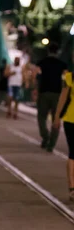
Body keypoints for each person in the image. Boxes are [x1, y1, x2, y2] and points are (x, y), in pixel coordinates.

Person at [37, 43, 67, 152]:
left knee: (41, 117)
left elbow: (37, 76)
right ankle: (51, 144)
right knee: (56, 118)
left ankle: (45, 136)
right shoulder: (62, 64)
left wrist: (36, 89)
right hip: (57, 94)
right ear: (57, 51)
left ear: (48, 51)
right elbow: (65, 79)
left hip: (44, 92)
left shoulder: (42, 62)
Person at [53, 68, 74, 201]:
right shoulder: (69, 77)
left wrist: (57, 116)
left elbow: (63, 97)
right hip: (70, 119)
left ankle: (72, 188)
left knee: (73, 152)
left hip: (70, 119)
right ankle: (72, 187)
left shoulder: (70, 77)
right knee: (73, 152)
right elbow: (63, 97)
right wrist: (57, 116)